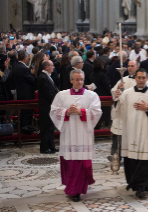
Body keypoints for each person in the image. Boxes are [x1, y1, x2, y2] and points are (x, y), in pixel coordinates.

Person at [50, 69, 102, 202]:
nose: (79, 82)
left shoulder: (91, 95)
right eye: (77, 79)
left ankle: (77, 190)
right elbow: (54, 111)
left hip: (83, 135)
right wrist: (67, 112)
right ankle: (72, 187)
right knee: (70, 162)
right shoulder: (62, 95)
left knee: (80, 163)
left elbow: (96, 112)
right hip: (69, 135)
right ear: (71, 80)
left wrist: (81, 112)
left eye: (81, 80)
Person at [112, 68, 148, 198]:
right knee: (131, 160)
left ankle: (143, 186)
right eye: (139, 77)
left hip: (146, 132)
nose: (141, 80)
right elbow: (118, 112)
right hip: (130, 132)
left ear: (147, 79)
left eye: (143, 78)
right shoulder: (127, 93)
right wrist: (117, 99)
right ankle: (133, 183)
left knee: (144, 161)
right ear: (135, 78)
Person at [109, 60, 140, 162]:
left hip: (133, 111)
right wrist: (118, 89)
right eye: (129, 66)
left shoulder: (140, 81)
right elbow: (113, 92)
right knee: (118, 133)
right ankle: (115, 155)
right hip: (122, 111)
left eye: (132, 66)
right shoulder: (123, 80)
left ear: (137, 67)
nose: (130, 68)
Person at [37, 60, 58, 154]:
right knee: (46, 127)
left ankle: (51, 145)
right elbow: (48, 93)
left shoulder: (47, 76)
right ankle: (44, 147)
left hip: (50, 106)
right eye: (52, 65)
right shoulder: (42, 77)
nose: (53, 67)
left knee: (50, 127)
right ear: (47, 67)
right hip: (46, 107)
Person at [13, 51, 36, 133]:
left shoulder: (16, 66)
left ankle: (23, 130)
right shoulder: (23, 68)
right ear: (25, 58)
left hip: (21, 93)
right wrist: (32, 73)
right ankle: (27, 132)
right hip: (26, 94)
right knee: (27, 113)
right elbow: (32, 80)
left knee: (24, 113)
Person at [90, 58, 111, 129]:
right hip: (103, 96)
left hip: (95, 95)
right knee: (104, 114)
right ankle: (105, 129)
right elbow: (107, 86)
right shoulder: (102, 75)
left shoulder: (92, 74)